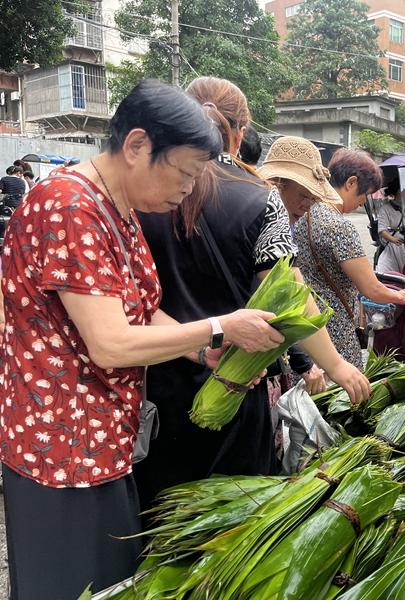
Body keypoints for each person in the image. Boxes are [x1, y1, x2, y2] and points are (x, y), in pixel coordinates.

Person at [0, 79, 291, 600]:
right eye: (182, 173)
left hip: (105, 441)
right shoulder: (68, 206)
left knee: (111, 581)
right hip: (61, 447)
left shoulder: (120, 209)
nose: (187, 190)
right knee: (69, 585)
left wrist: (200, 350)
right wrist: (222, 324)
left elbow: (140, 309)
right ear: (136, 146)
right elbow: (110, 343)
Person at [134, 78, 366, 511]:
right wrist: (335, 365)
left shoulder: (142, 193)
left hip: (156, 381)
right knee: (233, 521)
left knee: (164, 512)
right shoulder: (261, 200)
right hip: (237, 384)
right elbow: (290, 295)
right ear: (240, 133)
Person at [265, 146, 405, 369]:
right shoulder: (339, 227)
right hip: (333, 329)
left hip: (302, 326)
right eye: (364, 195)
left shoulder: (305, 212)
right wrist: (401, 296)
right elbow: (371, 289)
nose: (361, 203)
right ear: (351, 183)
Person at [376, 180, 405, 274]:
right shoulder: (385, 209)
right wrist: (393, 240)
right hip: (393, 245)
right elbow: (382, 230)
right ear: (398, 192)